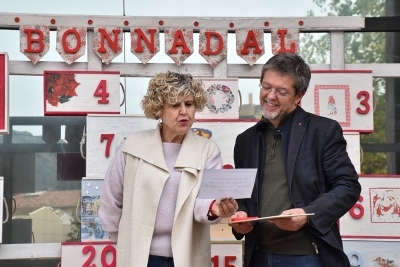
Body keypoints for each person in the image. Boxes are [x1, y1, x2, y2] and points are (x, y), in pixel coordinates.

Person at [229, 53, 361, 267]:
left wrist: (308, 214)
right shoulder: (245, 140)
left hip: (309, 256)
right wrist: (240, 217)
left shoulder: (323, 131)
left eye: (281, 91)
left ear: (299, 95)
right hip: (258, 256)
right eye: (266, 86)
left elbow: (348, 186)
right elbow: (244, 196)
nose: (270, 96)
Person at [99, 71, 238, 267]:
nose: (184, 111)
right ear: (159, 109)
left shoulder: (207, 150)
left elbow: (204, 201)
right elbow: (111, 198)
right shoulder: (132, 146)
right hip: (139, 256)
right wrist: (120, 240)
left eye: (189, 104)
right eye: (175, 105)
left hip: (186, 257)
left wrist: (214, 208)